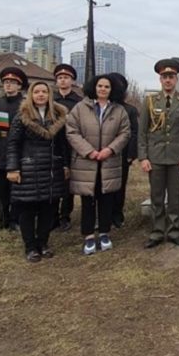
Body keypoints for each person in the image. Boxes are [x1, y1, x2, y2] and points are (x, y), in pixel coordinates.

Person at [66, 74, 131, 255]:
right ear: (94, 87)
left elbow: (125, 133)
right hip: (87, 162)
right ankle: (88, 235)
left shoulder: (119, 111)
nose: (103, 89)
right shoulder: (80, 108)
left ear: (112, 90)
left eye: (107, 87)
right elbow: (72, 132)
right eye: (100, 86)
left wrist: (110, 150)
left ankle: (104, 232)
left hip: (109, 162)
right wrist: (89, 151)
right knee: (88, 200)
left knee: (106, 199)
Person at [6, 81, 69, 262]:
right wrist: (12, 168)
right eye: (37, 92)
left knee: (48, 209)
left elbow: (62, 144)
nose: (40, 95)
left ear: (49, 95)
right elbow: (13, 144)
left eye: (44, 92)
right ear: (31, 95)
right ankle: (30, 247)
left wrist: (65, 165)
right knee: (27, 209)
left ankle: (43, 242)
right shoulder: (22, 116)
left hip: (51, 169)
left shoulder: (58, 116)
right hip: (28, 168)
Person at [138, 59, 179, 249]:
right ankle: (156, 232)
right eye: (164, 77)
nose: (168, 80)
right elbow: (142, 132)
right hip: (155, 157)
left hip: (177, 157)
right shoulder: (150, 101)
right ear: (160, 79)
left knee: (174, 197)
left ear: (176, 78)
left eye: (171, 76)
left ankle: (174, 231)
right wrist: (143, 157)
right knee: (156, 197)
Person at [0, 67, 27, 233]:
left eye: (12, 83)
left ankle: (15, 220)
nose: (8, 85)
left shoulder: (24, 104)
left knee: (15, 189)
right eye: (6, 82)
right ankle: (2, 220)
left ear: (19, 85)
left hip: (17, 149)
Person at [52, 63, 82, 231]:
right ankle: (52, 215)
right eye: (60, 78)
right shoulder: (51, 99)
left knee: (68, 181)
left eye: (66, 78)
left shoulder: (78, 102)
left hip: (70, 144)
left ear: (72, 81)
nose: (63, 81)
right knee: (53, 180)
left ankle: (65, 215)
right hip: (53, 143)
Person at [108, 72, 139, 229]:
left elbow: (134, 133)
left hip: (122, 154)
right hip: (103, 153)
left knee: (120, 186)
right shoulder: (101, 107)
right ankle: (104, 214)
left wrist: (131, 154)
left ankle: (117, 214)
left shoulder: (130, 110)